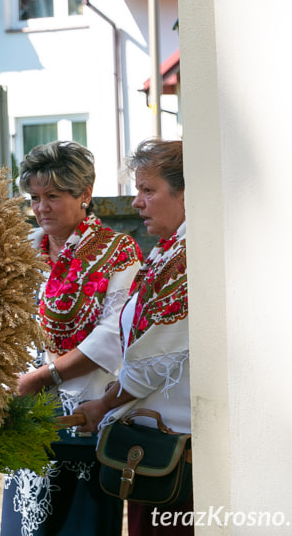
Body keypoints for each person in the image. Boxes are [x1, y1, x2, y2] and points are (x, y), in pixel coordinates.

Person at [1, 141, 143, 536]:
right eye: (34, 198)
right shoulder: (25, 250)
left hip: (87, 410)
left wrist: (43, 376)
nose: (41, 207)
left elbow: (114, 335)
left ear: (84, 195)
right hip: (27, 410)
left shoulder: (119, 251)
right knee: (24, 520)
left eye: (53, 196)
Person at [74, 139, 190, 535]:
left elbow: (152, 361)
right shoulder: (169, 251)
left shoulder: (190, 258)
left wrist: (105, 403)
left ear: (186, 192)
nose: (137, 202)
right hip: (156, 441)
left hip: (178, 452)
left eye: (148, 190)